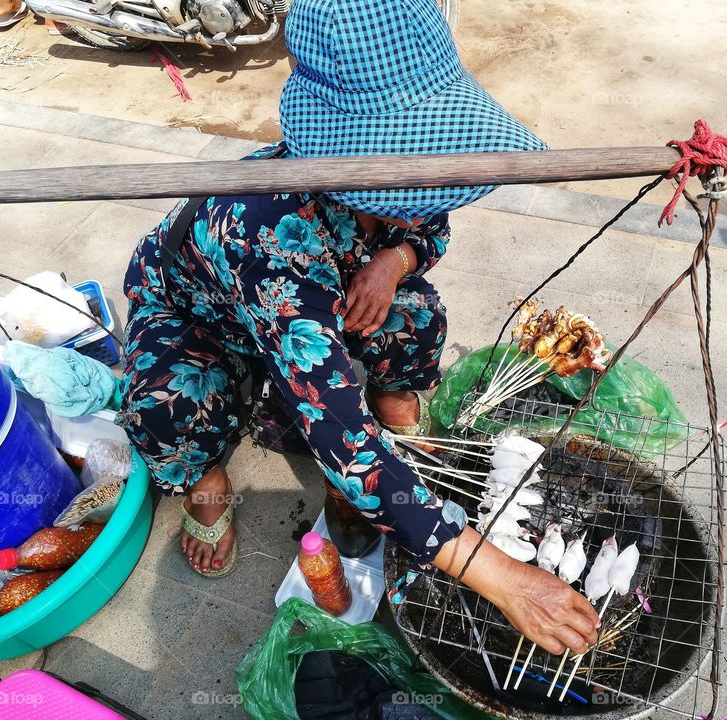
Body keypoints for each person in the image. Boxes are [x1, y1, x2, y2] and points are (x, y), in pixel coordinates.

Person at [117, 0, 600, 656]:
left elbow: (429, 225)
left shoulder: (401, 184)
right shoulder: (272, 237)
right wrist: (506, 579)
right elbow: (346, 448)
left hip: (317, 295)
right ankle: (208, 480)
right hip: (199, 317)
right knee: (168, 404)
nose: (433, 170)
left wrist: (392, 261)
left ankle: (397, 415)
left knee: (416, 313)